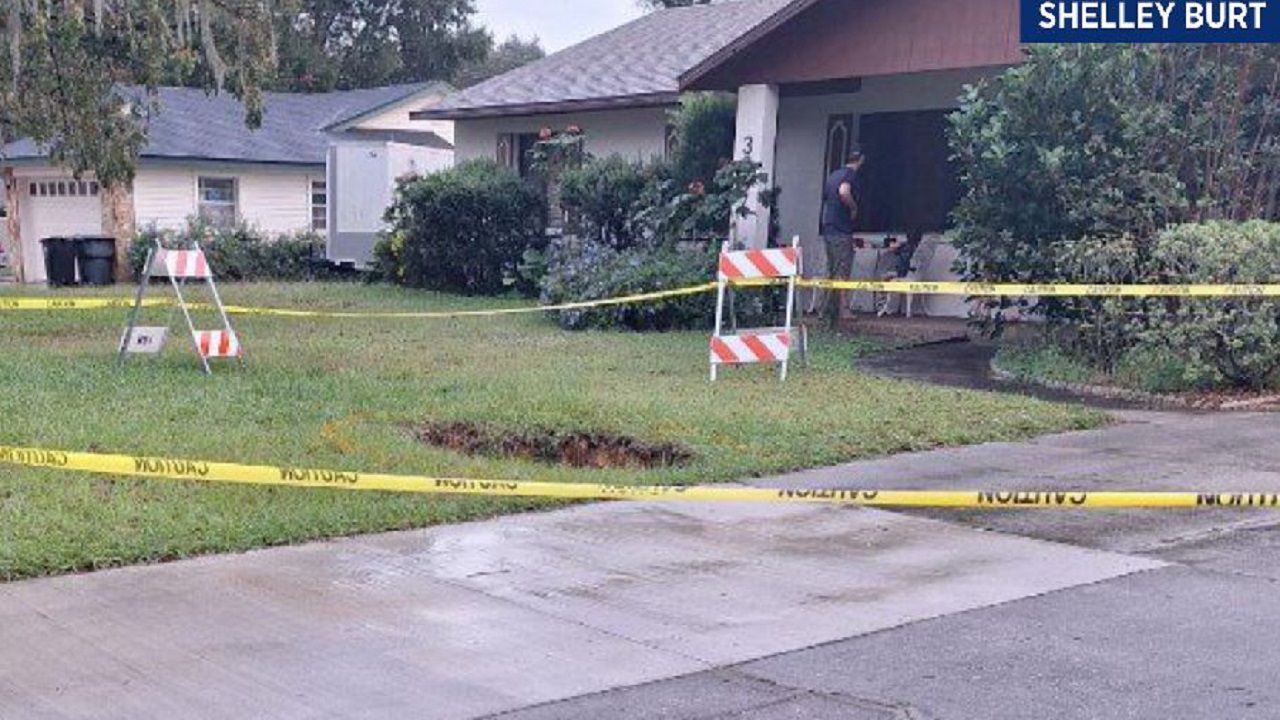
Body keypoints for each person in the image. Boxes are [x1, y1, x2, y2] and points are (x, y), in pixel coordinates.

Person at [819, 148, 866, 326]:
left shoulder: (833, 175)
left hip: (829, 227)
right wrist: (853, 208)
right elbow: (844, 191)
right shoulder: (850, 175)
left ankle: (824, 310)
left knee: (832, 269)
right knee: (843, 269)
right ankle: (843, 310)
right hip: (841, 229)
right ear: (860, 160)